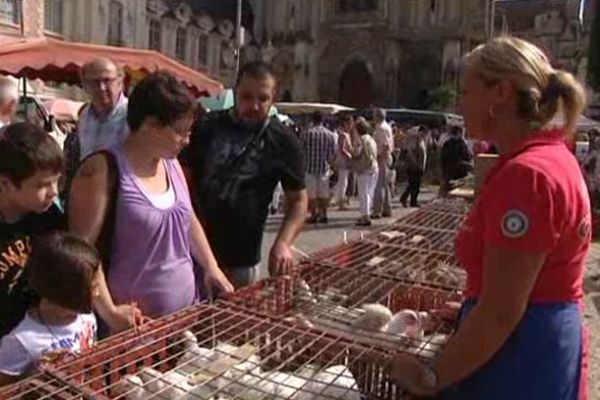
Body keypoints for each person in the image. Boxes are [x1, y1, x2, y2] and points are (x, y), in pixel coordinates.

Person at [390, 36, 589, 400]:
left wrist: (430, 375)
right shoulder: (549, 158)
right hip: (538, 338)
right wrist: (470, 305)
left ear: (499, 93)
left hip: (518, 355)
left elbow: (501, 313)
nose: (458, 103)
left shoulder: (526, 176)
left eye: (466, 91)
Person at [69, 72, 233, 320]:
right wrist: (110, 313)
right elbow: (81, 252)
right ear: (150, 125)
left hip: (186, 316)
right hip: (132, 330)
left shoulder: (172, 164)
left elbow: (187, 220)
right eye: (180, 131)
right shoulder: (101, 171)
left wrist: (211, 267)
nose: (187, 140)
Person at [0, 122, 137, 339]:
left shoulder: (49, 217)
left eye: (57, 181)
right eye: (41, 185)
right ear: (6, 183)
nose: (54, 192)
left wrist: (110, 312)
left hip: (43, 339)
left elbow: (82, 258)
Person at [180, 61, 307, 288]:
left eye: (263, 98)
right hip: (192, 253)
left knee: (234, 320)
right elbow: (182, 182)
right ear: (235, 91)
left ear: (273, 98)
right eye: (247, 97)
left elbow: (298, 200)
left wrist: (283, 243)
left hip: (242, 260)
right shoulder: (206, 126)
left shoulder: (284, 141)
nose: (255, 105)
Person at [0, 233, 99, 385]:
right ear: (65, 291)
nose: (98, 294)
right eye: (93, 288)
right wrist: (33, 378)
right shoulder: (21, 341)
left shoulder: (86, 318)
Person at [78, 58, 129, 160]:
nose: (102, 88)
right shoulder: (84, 115)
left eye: (107, 81)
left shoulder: (133, 114)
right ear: (84, 85)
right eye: (95, 82)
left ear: (120, 82)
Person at [302, 111, 337, 223]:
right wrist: (333, 168)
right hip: (324, 168)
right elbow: (332, 155)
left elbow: (301, 151)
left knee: (311, 195)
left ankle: (313, 214)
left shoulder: (307, 133)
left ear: (313, 119)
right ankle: (324, 213)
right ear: (323, 120)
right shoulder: (330, 135)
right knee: (323, 194)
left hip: (309, 168)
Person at [352, 117, 378, 227]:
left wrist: (351, 150)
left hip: (364, 169)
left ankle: (365, 216)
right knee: (370, 192)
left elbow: (356, 153)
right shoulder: (371, 139)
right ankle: (367, 213)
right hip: (373, 167)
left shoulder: (360, 140)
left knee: (363, 193)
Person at [372, 108, 394, 218]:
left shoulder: (381, 128)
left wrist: (382, 159)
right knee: (385, 185)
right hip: (385, 157)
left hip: (382, 157)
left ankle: (377, 210)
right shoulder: (386, 127)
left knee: (379, 185)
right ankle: (387, 208)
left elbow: (385, 145)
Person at [440, 126, 473, 195]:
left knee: (449, 191)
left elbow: (443, 158)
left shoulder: (447, 143)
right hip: (459, 171)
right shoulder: (461, 144)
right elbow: (467, 156)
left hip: (449, 171)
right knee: (458, 191)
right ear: (459, 133)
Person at [400, 126, 427, 208]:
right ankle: (406, 199)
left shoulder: (421, 141)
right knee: (413, 184)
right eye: (423, 133)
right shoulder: (414, 140)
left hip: (419, 166)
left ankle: (412, 200)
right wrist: (415, 163)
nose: (424, 135)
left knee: (416, 185)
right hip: (413, 166)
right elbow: (410, 153)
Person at [334, 114, 354, 210]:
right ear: (345, 123)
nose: (351, 125)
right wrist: (349, 156)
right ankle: (340, 202)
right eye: (349, 123)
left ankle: (336, 198)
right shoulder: (343, 135)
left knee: (342, 182)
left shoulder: (348, 135)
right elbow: (342, 148)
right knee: (343, 182)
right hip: (343, 161)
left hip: (345, 161)